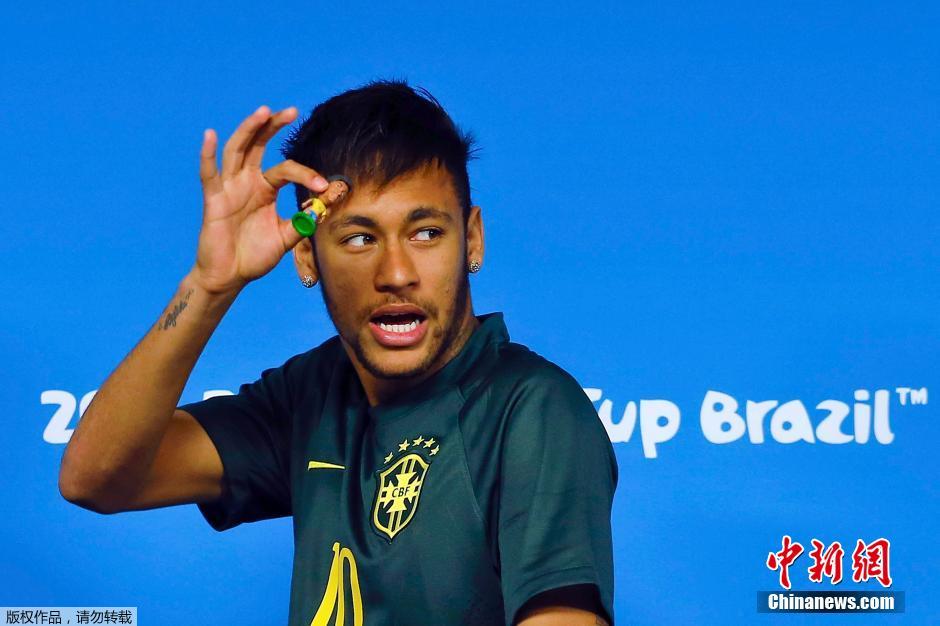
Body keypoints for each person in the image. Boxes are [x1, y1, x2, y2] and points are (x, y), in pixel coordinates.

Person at [59, 79, 618, 626]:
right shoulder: (312, 392)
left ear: (471, 238)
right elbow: (96, 478)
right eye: (359, 238)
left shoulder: (532, 407)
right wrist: (209, 287)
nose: (396, 273)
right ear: (307, 256)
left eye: (426, 233)